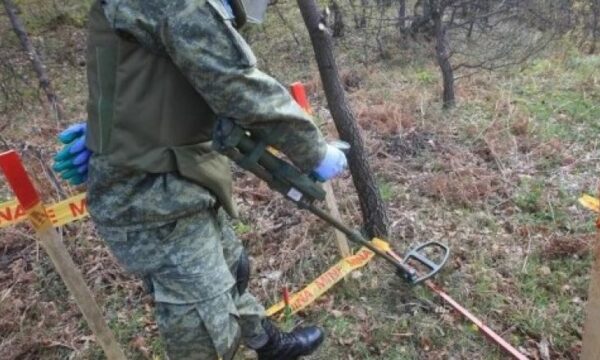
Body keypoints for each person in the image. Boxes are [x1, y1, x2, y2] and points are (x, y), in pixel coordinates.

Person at [53, 1, 348, 359]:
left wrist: (116, 125)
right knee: (204, 322)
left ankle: (267, 345)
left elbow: (139, 71)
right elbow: (236, 84)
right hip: (150, 195)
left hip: (180, 180)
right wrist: (314, 151)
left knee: (231, 272)